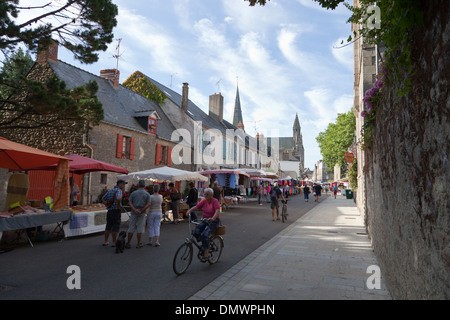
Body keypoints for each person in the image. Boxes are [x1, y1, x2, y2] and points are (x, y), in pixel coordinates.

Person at [185, 188, 220, 262]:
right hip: (205, 220)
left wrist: (213, 218)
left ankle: (206, 254)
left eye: (207, 194)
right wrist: (189, 211)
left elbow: (217, 211)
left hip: (213, 221)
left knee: (205, 234)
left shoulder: (215, 201)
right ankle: (205, 244)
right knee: (196, 231)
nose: (205, 195)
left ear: (211, 195)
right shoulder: (204, 201)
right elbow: (197, 207)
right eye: (205, 194)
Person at [126, 180, 151, 249]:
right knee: (140, 227)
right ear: (144, 185)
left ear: (138, 185)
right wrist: (142, 210)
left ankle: (128, 243)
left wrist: (134, 209)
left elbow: (130, 202)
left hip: (134, 212)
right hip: (142, 212)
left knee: (131, 227)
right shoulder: (147, 194)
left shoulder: (134, 193)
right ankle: (138, 243)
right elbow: (149, 203)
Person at [102, 179, 127, 246]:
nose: (124, 186)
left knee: (108, 226)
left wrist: (107, 204)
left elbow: (103, 198)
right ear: (120, 184)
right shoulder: (119, 191)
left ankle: (106, 241)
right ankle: (114, 242)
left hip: (110, 211)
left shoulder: (110, 190)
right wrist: (118, 206)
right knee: (115, 227)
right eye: (123, 184)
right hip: (116, 211)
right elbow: (118, 198)